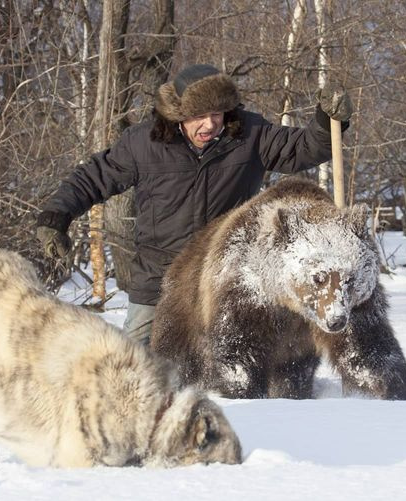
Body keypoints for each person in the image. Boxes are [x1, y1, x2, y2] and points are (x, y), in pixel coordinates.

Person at [36, 63, 352, 344]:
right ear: (178, 115)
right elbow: (93, 177)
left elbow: (304, 148)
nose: (209, 124)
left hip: (223, 279)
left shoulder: (250, 135)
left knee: (228, 370)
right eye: (198, 116)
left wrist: (327, 122)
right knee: (138, 369)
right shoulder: (143, 143)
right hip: (158, 279)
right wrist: (56, 217)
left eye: (217, 114)